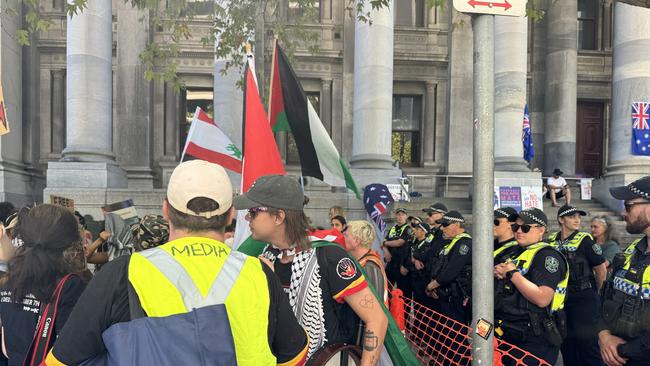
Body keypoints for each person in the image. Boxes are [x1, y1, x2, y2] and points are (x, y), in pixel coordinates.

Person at [46, 161, 308, 365]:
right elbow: (294, 354)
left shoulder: (123, 271)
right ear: (230, 215)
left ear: (166, 211)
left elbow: (61, 359)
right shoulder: (260, 273)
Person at [234, 174, 388, 363]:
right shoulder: (267, 256)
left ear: (279, 216)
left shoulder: (328, 256)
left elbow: (377, 319)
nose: (248, 218)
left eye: (254, 211)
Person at [0, 205, 87, 366]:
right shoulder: (69, 286)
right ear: (70, 241)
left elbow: (6, 347)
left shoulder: (8, 280)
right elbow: (74, 349)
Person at [494, 208, 569, 365]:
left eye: (526, 227)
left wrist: (512, 275)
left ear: (541, 230)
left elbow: (542, 298)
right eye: (516, 227)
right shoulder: (518, 253)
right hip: (512, 331)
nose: (519, 231)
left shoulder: (547, 256)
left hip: (535, 336)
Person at [598, 176, 650, 366]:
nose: (622, 212)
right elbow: (605, 297)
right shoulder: (631, 251)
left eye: (628, 205)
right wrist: (604, 336)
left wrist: (619, 350)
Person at [547, 205, 607, 365]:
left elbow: (601, 269)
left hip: (584, 299)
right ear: (561, 219)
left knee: (588, 345)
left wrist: (598, 294)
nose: (577, 220)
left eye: (579, 217)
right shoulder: (550, 241)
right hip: (560, 300)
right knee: (567, 344)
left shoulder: (585, 239)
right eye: (572, 216)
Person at [426, 211, 472, 325]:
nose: (442, 228)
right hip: (444, 295)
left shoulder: (464, 244)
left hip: (456, 297)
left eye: (445, 224)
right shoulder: (452, 243)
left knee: (455, 335)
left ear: (456, 225)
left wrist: (431, 286)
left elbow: (451, 271)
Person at [344, 220, 388, 306]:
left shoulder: (369, 266)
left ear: (356, 240)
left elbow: (374, 305)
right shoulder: (361, 261)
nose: (342, 237)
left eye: (346, 235)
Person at [383, 208, 413, 297]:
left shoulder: (408, 229)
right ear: (396, 216)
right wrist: (386, 251)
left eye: (402, 215)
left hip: (401, 264)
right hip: (391, 263)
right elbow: (383, 243)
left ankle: (403, 310)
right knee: (387, 289)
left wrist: (385, 243)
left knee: (403, 292)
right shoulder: (393, 228)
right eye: (398, 214)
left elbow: (399, 243)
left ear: (406, 216)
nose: (400, 217)